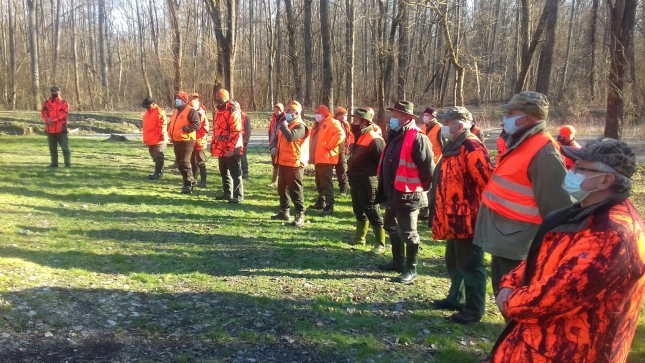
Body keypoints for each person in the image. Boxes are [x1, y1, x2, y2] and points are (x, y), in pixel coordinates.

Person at [491, 138, 645, 363]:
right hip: (538, 345)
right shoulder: (583, 213)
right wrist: (509, 283)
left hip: (570, 353)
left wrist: (509, 301)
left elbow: (557, 296)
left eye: (580, 168)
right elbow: (541, 257)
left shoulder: (611, 233)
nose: (570, 171)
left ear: (605, 180)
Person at [473, 91, 572, 296]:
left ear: (528, 118)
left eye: (510, 112)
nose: (505, 117)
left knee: (513, 299)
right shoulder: (519, 141)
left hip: (519, 243)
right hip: (504, 236)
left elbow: (558, 207)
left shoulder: (544, 152)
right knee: (502, 294)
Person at [430, 106, 494, 324]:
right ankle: (456, 297)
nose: (444, 126)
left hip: (468, 218)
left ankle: (474, 309)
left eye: (447, 123)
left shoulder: (472, 146)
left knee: (471, 265)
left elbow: (487, 182)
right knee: (454, 261)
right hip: (451, 217)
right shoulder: (452, 146)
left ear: (460, 124)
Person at [376, 100, 434, 284]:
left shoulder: (418, 138)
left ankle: (411, 269)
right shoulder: (393, 136)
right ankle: (398, 262)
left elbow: (428, 169)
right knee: (392, 227)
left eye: (395, 116)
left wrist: (419, 189)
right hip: (393, 192)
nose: (391, 119)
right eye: (391, 115)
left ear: (407, 118)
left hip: (409, 194)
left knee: (409, 232)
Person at [346, 108, 386, 254]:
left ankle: (380, 243)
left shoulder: (374, 138)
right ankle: (359, 238)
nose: (353, 123)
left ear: (364, 122)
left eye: (356, 121)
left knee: (373, 211)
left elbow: (382, 162)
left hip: (368, 181)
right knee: (359, 210)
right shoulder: (358, 136)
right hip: (355, 180)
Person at [270, 101, 310, 227]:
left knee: (295, 191)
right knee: (282, 189)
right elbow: (277, 137)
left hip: (295, 163)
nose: (286, 113)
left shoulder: (301, 126)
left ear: (297, 113)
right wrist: (272, 147)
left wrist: (283, 126)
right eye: (286, 111)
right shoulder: (287, 124)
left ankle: (300, 215)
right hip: (283, 161)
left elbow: (291, 137)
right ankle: (284, 212)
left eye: (289, 111)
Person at [309, 105, 345, 215]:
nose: (316, 115)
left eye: (318, 113)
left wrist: (329, 146)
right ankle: (321, 201)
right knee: (319, 182)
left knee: (326, 183)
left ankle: (330, 205)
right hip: (318, 158)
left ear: (324, 114)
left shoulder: (332, 122)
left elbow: (341, 134)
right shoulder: (318, 124)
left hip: (326, 158)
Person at [211, 89, 244, 203]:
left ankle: (238, 196)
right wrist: (214, 144)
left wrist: (230, 148)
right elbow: (216, 131)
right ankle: (227, 193)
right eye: (217, 98)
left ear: (225, 99)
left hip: (232, 147)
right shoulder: (219, 112)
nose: (217, 101)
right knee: (223, 171)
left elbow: (235, 131)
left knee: (235, 172)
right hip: (221, 147)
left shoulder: (232, 111)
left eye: (219, 99)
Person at [168, 92, 201, 194]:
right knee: (179, 163)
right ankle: (187, 181)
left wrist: (185, 129)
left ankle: (188, 184)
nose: (176, 100)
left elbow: (197, 124)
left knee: (184, 162)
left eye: (178, 98)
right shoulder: (176, 111)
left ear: (183, 100)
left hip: (187, 141)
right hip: (176, 140)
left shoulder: (191, 111)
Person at [419, 107, 444, 222]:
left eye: (427, 115)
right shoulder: (423, 128)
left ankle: (432, 213)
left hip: (436, 163)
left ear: (433, 117)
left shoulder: (440, 129)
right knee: (424, 188)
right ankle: (424, 211)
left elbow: (444, 147)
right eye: (424, 115)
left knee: (433, 189)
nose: (425, 117)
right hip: (424, 163)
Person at [41, 86, 71, 168]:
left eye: (55, 92)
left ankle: (67, 163)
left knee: (65, 148)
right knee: (52, 148)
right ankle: (54, 163)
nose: (54, 93)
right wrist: (47, 120)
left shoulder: (64, 103)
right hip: (50, 129)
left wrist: (52, 120)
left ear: (59, 92)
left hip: (61, 129)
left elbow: (63, 114)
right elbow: (43, 112)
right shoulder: (46, 103)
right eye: (52, 92)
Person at [141, 97, 168, 179]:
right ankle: (158, 172)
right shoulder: (147, 113)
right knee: (154, 156)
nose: (146, 107)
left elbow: (162, 124)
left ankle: (158, 174)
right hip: (150, 139)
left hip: (158, 139)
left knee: (159, 156)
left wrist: (162, 136)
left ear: (153, 103)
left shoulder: (159, 112)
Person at [190, 99, 209, 188]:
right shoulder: (191, 113)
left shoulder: (201, 114)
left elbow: (204, 129)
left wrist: (195, 137)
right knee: (193, 162)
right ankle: (194, 179)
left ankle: (203, 182)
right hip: (192, 141)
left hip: (200, 142)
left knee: (201, 162)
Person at [268, 103, 285, 187]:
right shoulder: (273, 119)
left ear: (281, 110)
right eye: (275, 110)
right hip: (273, 144)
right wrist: (270, 143)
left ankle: (281, 181)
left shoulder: (285, 119)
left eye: (278, 110)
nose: (276, 111)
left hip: (281, 144)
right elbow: (270, 131)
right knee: (274, 163)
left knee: (281, 163)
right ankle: (274, 181)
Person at [334, 107, 350, 195]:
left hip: (341, 150)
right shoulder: (333, 123)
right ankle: (324, 189)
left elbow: (348, 136)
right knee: (327, 171)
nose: (345, 117)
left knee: (342, 170)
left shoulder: (346, 124)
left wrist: (347, 146)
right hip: (331, 151)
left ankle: (343, 189)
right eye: (343, 115)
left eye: (346, 115)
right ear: (338, 116)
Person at [241, 108, 252, 180]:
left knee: (243, 158)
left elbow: (248, 130)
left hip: (242, 141)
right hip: (234, 141)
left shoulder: (245, 117)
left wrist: (245, 141)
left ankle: (245, 173)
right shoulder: (232, 115)